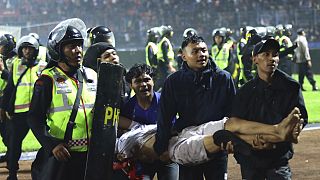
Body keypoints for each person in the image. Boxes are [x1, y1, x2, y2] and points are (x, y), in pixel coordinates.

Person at [153, 34, 236, 180]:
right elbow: (165, 117)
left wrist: (230, 138)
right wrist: (161, 147)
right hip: (187, 144)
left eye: (204, 50)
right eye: (195, 51)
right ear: (184, 56)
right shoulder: (174, 81)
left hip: (216, 143)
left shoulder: (224, 78)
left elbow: (232, 113)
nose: (201, 54)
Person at [27, 19, 97, 180]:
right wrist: (52, 145)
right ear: (58, 50)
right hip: (64, 156)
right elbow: (34, 117)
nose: (78, 50)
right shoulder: (47, 79)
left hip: (92, 156)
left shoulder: (92, 75)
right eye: (71, 46)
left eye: (79, 45)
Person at [230, 38, 308, 179]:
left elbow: (301, 118)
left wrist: (296, 127)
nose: (271, 58)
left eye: (275, 54)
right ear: (255, 59)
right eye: (266, 54)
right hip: (250, 158)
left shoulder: (291, 87)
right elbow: (234, 124)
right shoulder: (244, 92)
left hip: (278, 159)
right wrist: (253, 139)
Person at [116, 63, 179, 180]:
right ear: (131, 85)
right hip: (141, 159)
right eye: (138, 81)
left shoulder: (165, 101)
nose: (143, 84)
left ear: (153, 81)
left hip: (166, 156)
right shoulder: (128, 107)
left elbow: (176, 128)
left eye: (147, 80)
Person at [0, 34, 43, 180]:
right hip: (19, 113)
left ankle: (48, 171)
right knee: (13, 145)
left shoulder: (43, 66)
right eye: (24, 48)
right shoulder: (16, 65)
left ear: (35, 50)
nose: (27, 51)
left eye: (30, 49)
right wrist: (4, 108)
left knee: (49, 142)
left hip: (37, 113)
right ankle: (12, 174)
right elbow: (10, 88)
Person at [0, 33, 17, 164]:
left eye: (1, 45)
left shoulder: (16, 61)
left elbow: (13, 81)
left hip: (10, 102)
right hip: (3, 99)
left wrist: (2, 69)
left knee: (9, 132)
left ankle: (12, 158)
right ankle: (9, 155)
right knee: (4, 131)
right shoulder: (4, 59)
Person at [155, 25, 176, 91]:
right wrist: (170, 66)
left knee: (163, 79)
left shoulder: (161, 41)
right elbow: (165, 55)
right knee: (165, 80)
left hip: (161, 63)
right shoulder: (165, 42)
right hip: (164, 64)